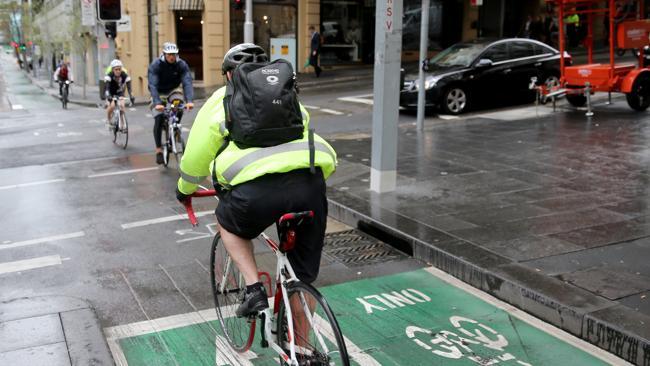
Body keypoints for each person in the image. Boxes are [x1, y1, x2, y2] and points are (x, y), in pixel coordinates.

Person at [175, 43, 337, 320]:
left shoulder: (221, 99)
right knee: (301, 281)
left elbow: (196, 158)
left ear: (228, 75)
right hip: (309, 184)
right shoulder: (286, 94)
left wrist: (185, 189)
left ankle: (253, 290)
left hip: (256, 192)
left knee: (228, 225)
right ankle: (305, 356)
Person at [147, 42, 194, 165]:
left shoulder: (181, 65)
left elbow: (187, 82)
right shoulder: (156, 65)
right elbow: (152, 85)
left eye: (174, 54)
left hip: (173, 89)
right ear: (164, 54)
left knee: (179, 105)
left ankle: (175, 126)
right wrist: (157, 102)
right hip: (159, 91)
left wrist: (189, 101)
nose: (172, 57)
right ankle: (158, 150)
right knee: (158, 117)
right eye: (169, 55)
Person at [104, 59, 135, 125]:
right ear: (112, 70)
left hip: (119, 92)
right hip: (110, 92)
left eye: (119, 69)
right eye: (116, 69)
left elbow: (129, 88)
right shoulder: (109, 76)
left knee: (122, 106)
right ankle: (108, 119)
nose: (118, 71)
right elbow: (107, 88)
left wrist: (131, 95)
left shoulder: (124, 75)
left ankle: (122, 122)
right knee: (112, 106)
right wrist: (108, 96)